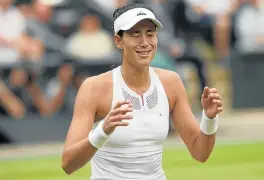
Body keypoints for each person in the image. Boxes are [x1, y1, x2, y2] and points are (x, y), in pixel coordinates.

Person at [61, 4, 224, 180]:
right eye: (135, 34)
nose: (145, 42)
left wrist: (209, 118)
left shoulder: (171, 82)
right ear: (119, 41)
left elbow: (200, 152)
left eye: (150, 34)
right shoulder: (94, 87)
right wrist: (102, 131)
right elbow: (68, 164)